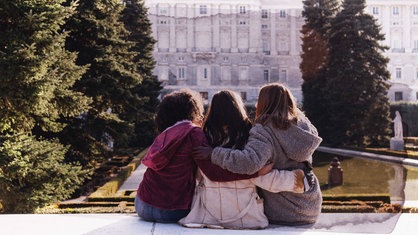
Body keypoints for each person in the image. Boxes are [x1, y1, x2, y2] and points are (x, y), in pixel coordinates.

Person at [135, 89, 293, 223]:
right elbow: (213, 173)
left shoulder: (166, 133)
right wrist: (256, 171)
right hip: (170, 211)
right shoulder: (193, 133)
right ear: (193, 111)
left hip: (142, 204)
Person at [193, 83, 323, 225]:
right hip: (311, 206)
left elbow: (249, 163)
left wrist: (214, 154)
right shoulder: (303, 127)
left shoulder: (264, 130)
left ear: (263, 103)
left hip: (283, 211)